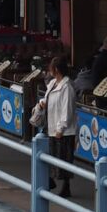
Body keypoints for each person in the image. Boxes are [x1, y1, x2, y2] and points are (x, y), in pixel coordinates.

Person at [39, 56, 76, 197]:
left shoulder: (67, 87)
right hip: (52, 125)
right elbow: (47, 96)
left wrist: (61, 128)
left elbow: (67, 110)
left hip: (63, 130)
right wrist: (43, 102)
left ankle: (66, 186)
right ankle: (51, 179)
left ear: (56, 69)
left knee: (64, 158)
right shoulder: (53, 83)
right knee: (52, 154)